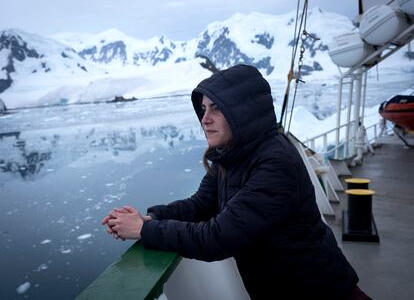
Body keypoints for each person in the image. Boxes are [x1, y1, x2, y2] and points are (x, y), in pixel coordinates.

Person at [102, 64, 370, 299]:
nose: (205, 119)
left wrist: (144, 231)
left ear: (243, 111)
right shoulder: (231, 156)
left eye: (216, 108)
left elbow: (217, 238)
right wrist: (151, 218)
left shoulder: (275, 163)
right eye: (204, 108)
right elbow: (200, 205)